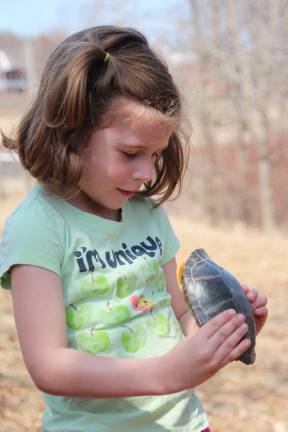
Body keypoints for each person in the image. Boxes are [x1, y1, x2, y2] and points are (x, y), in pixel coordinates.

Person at [0, 26, 268, 432]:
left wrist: (222, 331)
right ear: (71, 132)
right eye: (130, 153)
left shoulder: (147, 215)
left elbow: (178, 316)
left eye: (156, 154)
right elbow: (48, 365)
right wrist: (162, 375)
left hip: (186, 424)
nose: (145, 173)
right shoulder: (38, 227)